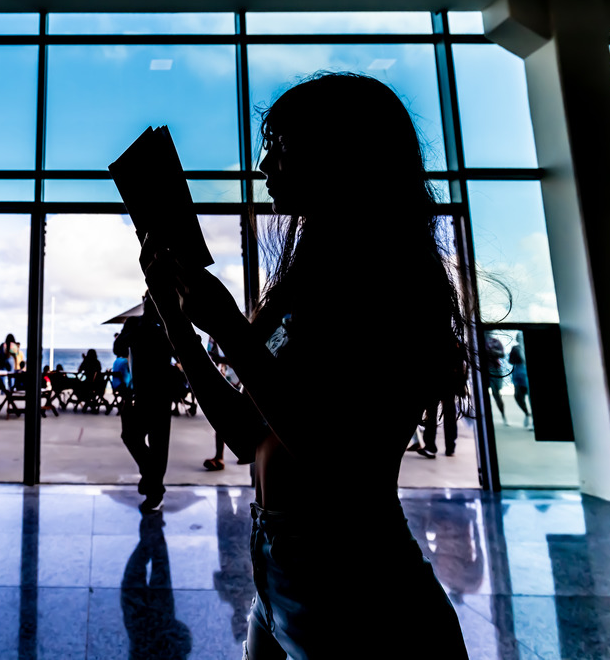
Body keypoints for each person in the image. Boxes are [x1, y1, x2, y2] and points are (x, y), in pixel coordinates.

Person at [140, 72, 469, 657]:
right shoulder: (303, 286)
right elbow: (244, 433)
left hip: (362, 595)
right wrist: (174, 315)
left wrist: (229, 329)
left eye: (281, 147)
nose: (265, 164)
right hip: (278, 582)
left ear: (340, 157)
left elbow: (338, 460)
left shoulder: (395, 290)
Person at [114, 294, 176, 513]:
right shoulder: (134, 323)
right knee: (130, 435)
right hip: (139, 393)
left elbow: (179, 352)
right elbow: (118, 348)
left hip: (162, 394)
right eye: (149, 298)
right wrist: (142, 328)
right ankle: (152, 479)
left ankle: (154, 493)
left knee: (159, 446)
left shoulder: (169, 325)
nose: (151, 302)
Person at [484, 334, 509, 426]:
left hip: (494, 369)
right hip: (483, 369)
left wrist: (493, 352)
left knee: (496, 394)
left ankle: (503, 416)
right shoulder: (474, 339)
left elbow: (502, 354)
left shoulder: (495, 341)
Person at [509, 335, 532, 429]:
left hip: (525, 373)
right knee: (518, 396)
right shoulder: (515, 348)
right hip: (518, 373)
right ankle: (526, 413)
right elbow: (510, 360)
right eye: (519, 337)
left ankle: (533, 422)